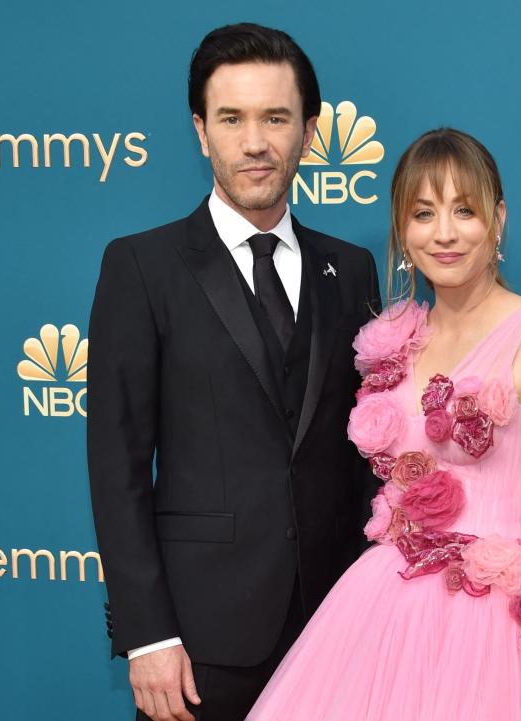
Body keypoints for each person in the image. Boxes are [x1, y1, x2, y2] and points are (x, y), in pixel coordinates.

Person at [246, 128, 521, 721]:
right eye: (423, 213)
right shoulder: (397, 336)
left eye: (465, 211)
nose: (445, 233)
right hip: (385, 612)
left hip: (496, 624)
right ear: (403, 229)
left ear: (498, 219)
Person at [87, 23, 380, 721]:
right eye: (232, 118)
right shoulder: (141, 267)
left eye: (276, 117)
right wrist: (147, 632)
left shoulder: (353, 269)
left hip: (335, 629)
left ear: (310, 131)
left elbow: (367, 452)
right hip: (199, 643)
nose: (255, 142)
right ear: (200, 131)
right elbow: (116, 465)